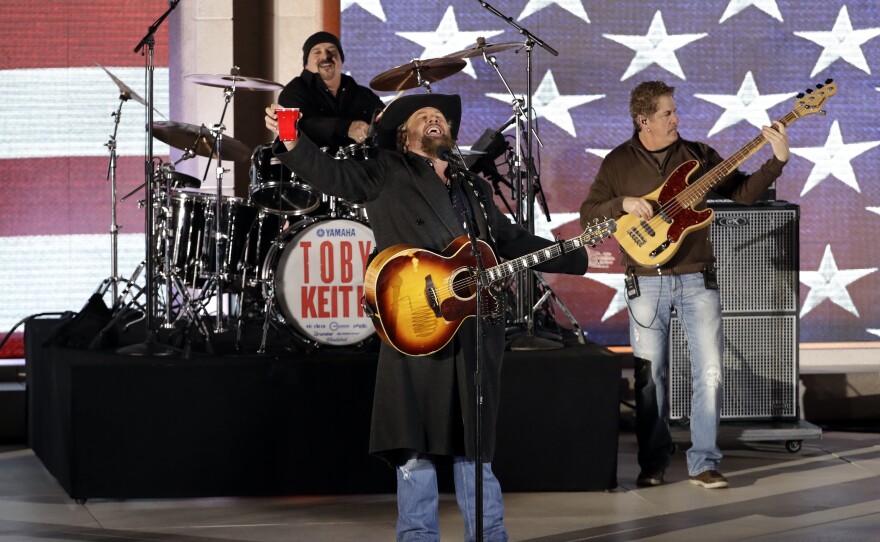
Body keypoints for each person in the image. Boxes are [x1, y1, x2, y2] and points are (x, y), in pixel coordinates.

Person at [265, 93, 589, 541]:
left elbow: (510, 240)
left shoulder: (472, 185)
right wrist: (290, 137)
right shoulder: (386, 170)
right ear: (404, 133)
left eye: (441, 118)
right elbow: (332, 175)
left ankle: (488, 536)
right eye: (425, 117)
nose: (436, 120)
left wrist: (577, 253)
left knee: (474, 449)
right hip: (414, 322)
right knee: (414, 447)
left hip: (473, 328)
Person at [579, 80, 789, 490]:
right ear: (644, 120)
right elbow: (589, 215)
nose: (676, 118)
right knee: (650, 376)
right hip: (645, 281)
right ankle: (653, 463)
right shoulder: (618, 162)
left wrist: (777, 160)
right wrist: (621, 204)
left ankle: (704, 462)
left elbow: (743, 193)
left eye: (675, 111)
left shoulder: (697, 155)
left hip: (697, 278)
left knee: (710, 371)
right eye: (667, 113)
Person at [277, 31, 384, 154]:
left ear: (341, 61)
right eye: (317, 52)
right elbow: (299, 126)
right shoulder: (293, 91)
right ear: (306, 64)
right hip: (312, 168)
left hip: (359, 169)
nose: (325, 56)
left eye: (332, 51)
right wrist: (346, 127)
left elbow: (384, 119)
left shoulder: (363, 94)